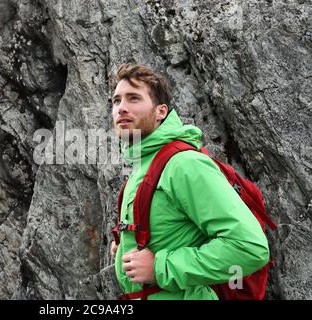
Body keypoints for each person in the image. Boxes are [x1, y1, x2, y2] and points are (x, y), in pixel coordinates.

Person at [109, 63, 270, 300]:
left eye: (133, 99)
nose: (121, 108)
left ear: (161, 111)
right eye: (116, 101)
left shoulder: (184, 164)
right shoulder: (144, 163)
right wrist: (125, 245)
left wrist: (160, 268)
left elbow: (249, 246)